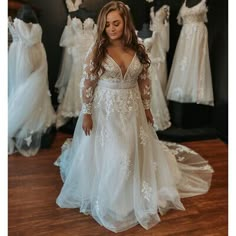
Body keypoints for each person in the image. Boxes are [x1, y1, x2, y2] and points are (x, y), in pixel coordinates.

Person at [55, 1, 213, 233]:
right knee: (114, 151)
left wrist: (148, 107)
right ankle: (115, 198)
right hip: (106, 109)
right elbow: (87, 83)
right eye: (107, 24)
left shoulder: (138, 47)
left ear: (125, 23)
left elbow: (144, 80)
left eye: (116, 23)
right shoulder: (97, 48)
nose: (111, 28)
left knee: (130, 150)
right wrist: (87, 112)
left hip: (132, 108)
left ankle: (132, 190)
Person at [8, 4, 56, 156]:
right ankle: (25, 126)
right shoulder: (36, 29)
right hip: (31, 57)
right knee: (26, 92)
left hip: (23, 57)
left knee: (22, 91)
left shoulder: (18, 24)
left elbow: (27, 41)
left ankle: (22, 126)